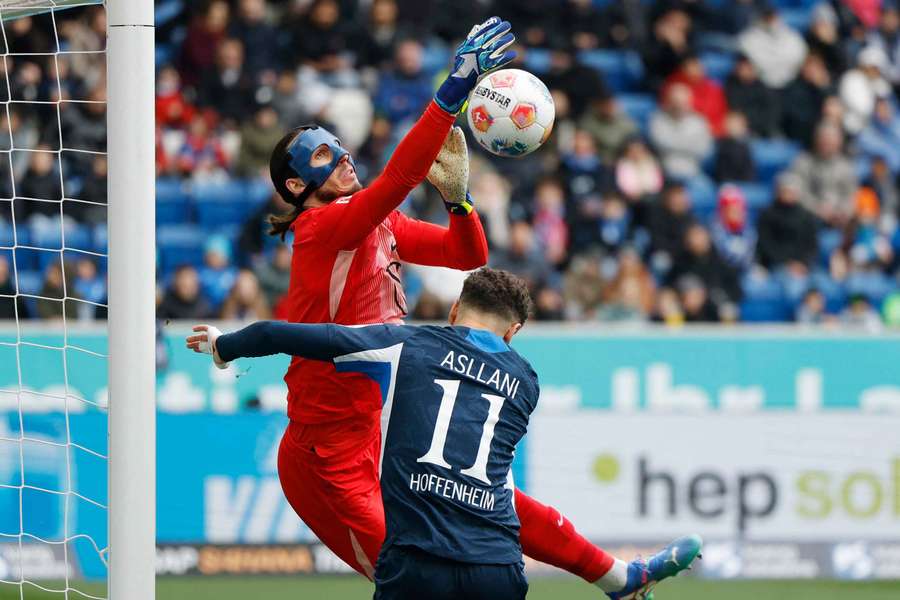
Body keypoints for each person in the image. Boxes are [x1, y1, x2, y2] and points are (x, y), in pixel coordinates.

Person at [257, 15, 639, 593]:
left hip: (383, 423)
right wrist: (453, 90)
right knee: (421, 578)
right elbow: (398, 178)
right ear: (294, 187)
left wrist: (459, 201)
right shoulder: (322, 228)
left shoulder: (378, 224)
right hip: (328, 455)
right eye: (322, 157)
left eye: (339, 147)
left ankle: (615, 576)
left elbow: (468, 255)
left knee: (490, 494)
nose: (342, 157)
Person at [187, 268, 703, 600]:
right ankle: (620, 579)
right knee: (504, 493)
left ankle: (619, 578)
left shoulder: (405, 345)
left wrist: (226, 345)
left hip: (418, 564)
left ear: (454, 310)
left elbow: (281, 333)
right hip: (498, 568)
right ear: (513, 333)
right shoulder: (526, 381)